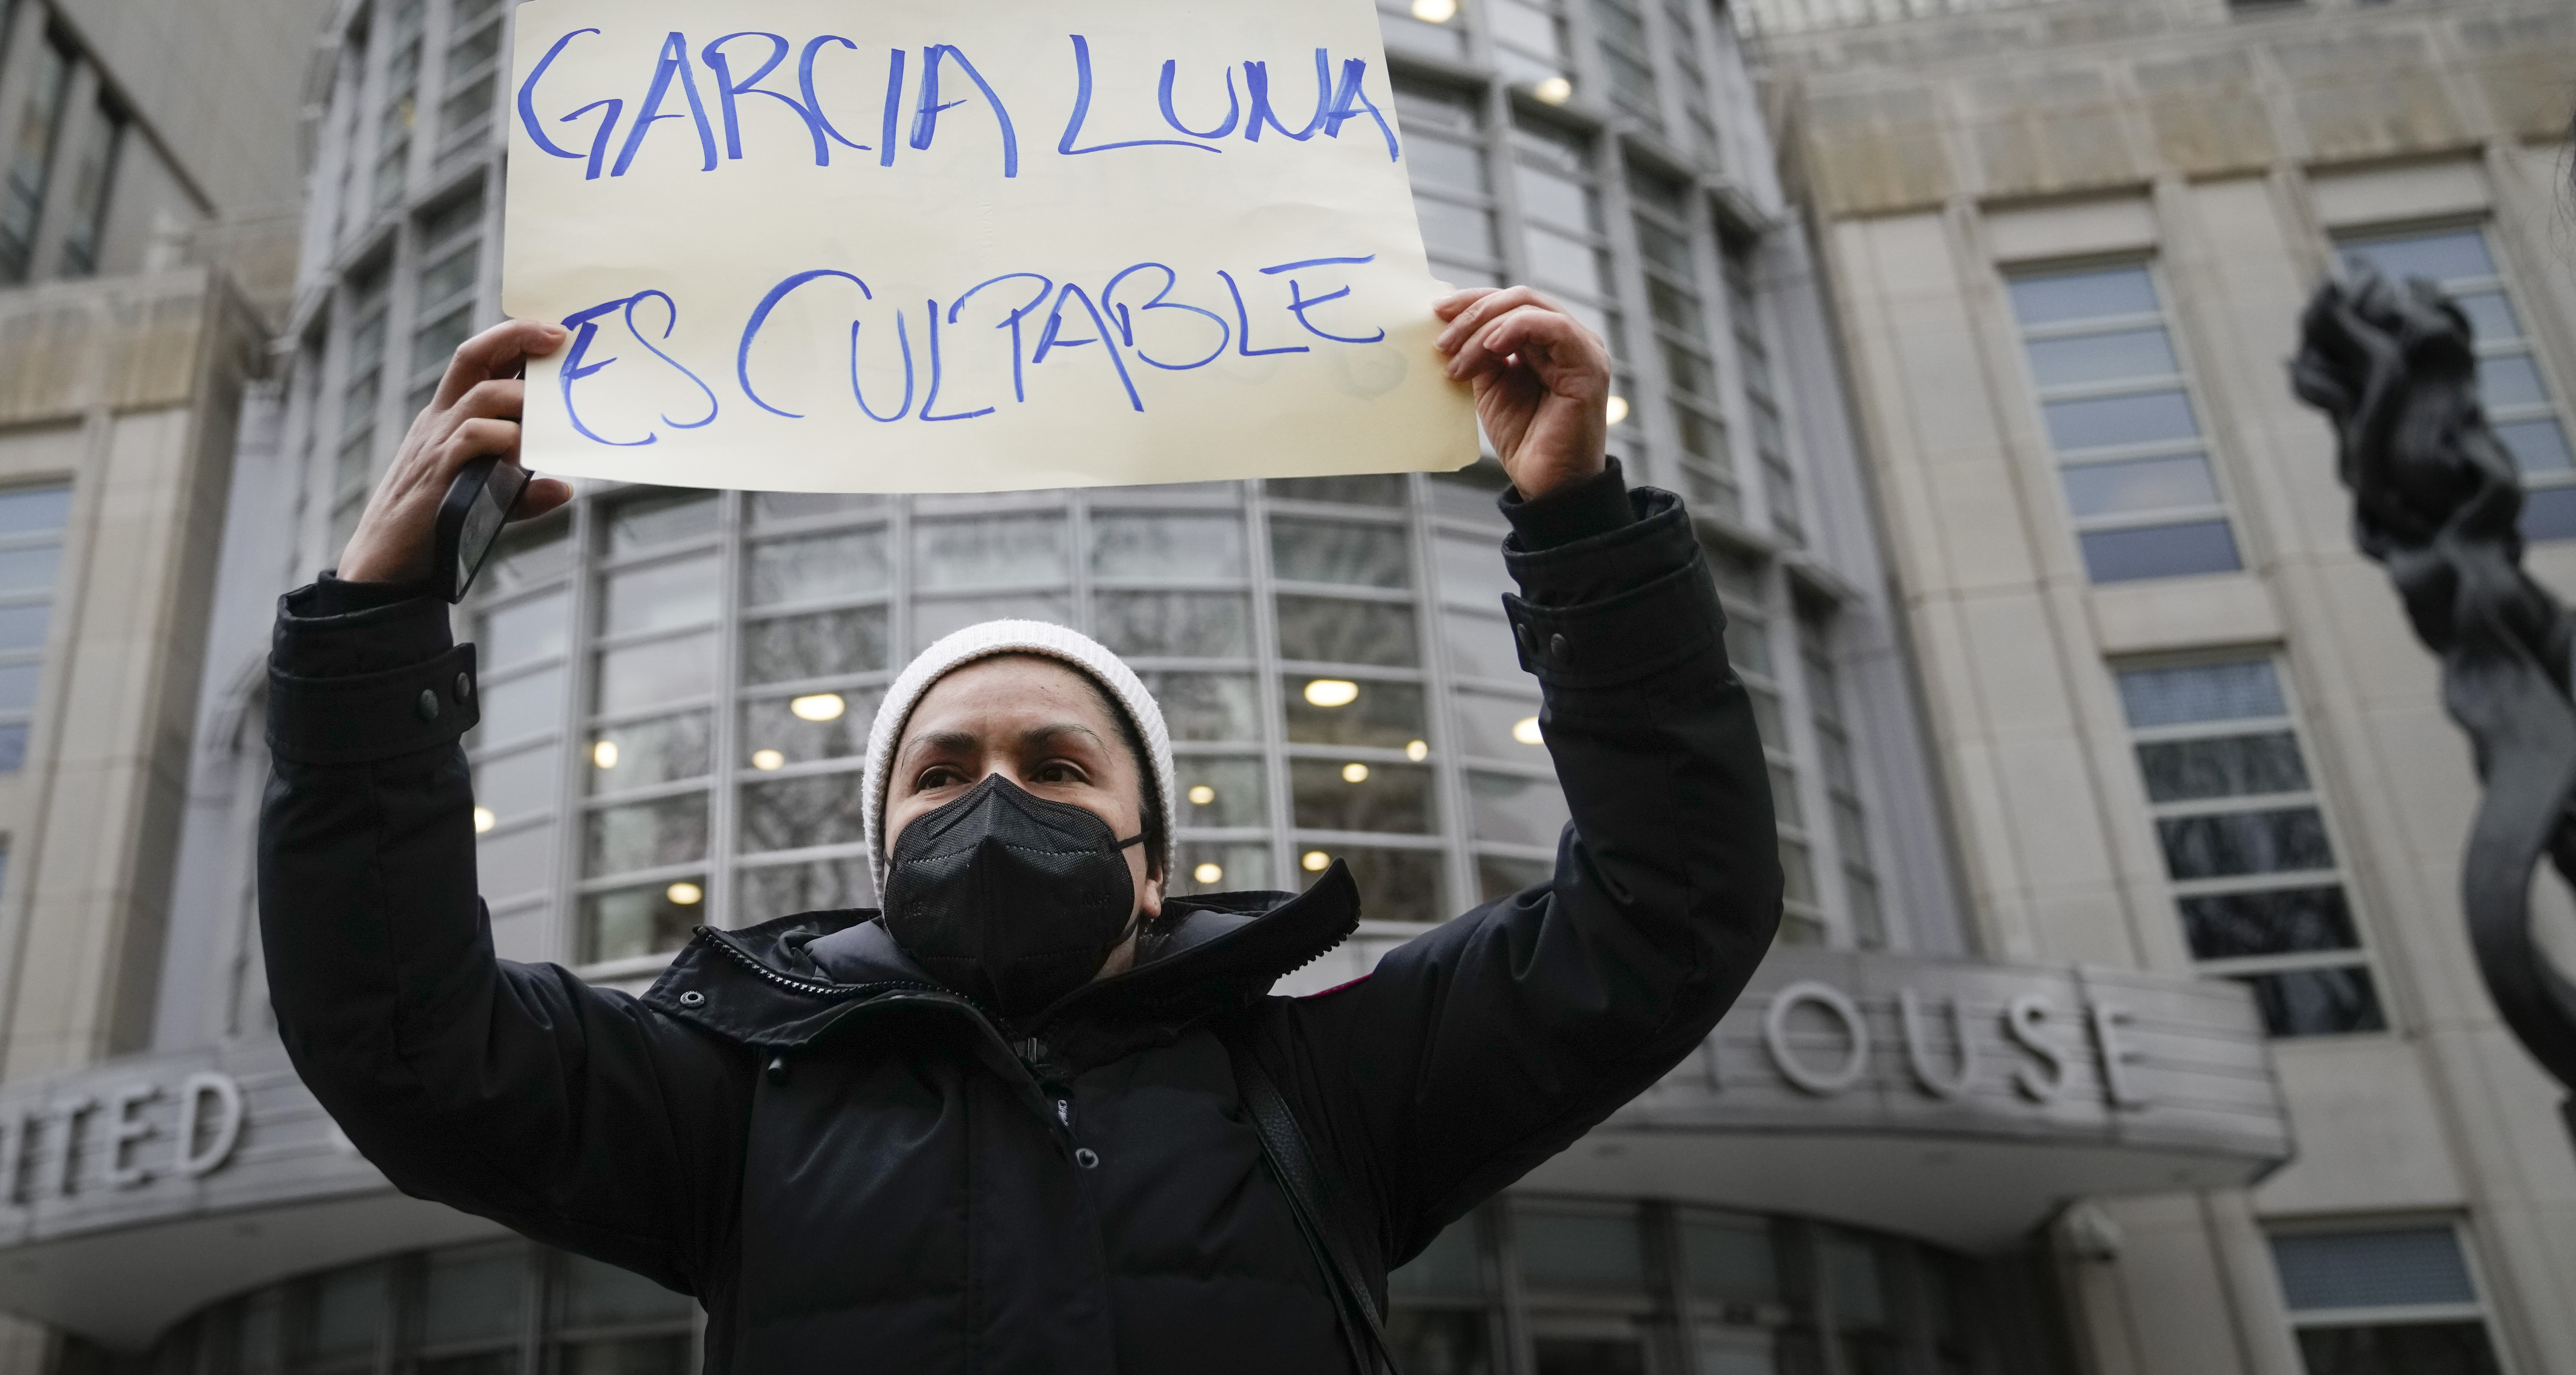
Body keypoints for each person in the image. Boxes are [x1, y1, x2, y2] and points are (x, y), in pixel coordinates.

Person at [260, 284, 1779, 1370]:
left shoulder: (1328, 1082)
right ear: (879, 850)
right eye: (942, 769)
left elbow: (1669, 905)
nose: (995, 796)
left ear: (1155, 853)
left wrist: (1577, 527)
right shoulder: (731, 1106)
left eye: (1058, 764)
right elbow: (406, 1037)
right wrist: (377, 621)